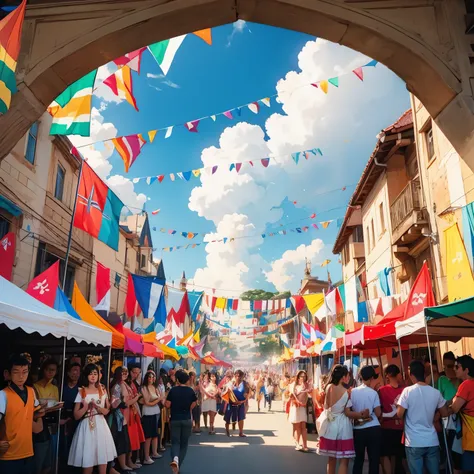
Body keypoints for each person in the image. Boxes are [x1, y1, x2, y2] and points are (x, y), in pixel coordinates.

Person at [397, 359, 448, 474]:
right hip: (432, 440)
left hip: (414, 441)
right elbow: (445, 412)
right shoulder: (435, 392)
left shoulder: (407, 391)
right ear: (424, 374)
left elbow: (399, 413)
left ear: (411, 374)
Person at [0, 354, 45, 474]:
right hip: (8, 454)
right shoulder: (3, 395)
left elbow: (34, 416)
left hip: (28, 452)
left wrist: (40, 414)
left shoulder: (31, 391)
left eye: (24, 372)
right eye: (16, 372)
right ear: (7, 374)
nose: (21, 376)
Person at [68, 363, 117, 474]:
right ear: (86, 376)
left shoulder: (102, 390)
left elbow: (106, 411)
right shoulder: (82, 391)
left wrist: (97, 407)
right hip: (86, 425)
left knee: (102, 456)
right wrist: (85, 407)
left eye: (95, 373)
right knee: (88, 457)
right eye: (90, 374)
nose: (93, 376)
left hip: (100, 424)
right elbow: (76, 415)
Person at [316, 364, 358, 474]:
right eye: (347, 376)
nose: (348, 378)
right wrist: (361, 415)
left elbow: (326, 406)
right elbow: (347, 412)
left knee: (331, 458)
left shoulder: (328, 387)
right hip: (343, 425)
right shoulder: (346, 392)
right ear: (343, 376)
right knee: (344, 460)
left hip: (330, 423)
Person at [350, 366, 382, 474]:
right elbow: (378, 413)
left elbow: (349, 410)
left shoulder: (353, 392)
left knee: (358, 459)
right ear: (372, 378)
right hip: (373, 428)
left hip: (358, 428)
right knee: (374, 459)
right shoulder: (373, 393)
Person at [33, 358, 62, 474]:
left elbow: (57, 403)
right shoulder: (35, 387)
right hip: (40, 420)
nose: (51, 373)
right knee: (39, 456)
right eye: (48, 370)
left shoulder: (54, 388)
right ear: (43, 370)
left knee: (50, 457)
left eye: (53, 370)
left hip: (52, 421)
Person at [165, 370, 197, 474]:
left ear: (178, 380)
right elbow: (194, 403)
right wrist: (188, 408)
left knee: (175, 442)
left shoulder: (173, 390)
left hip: (175, 419)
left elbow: (167, 404)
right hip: (186, 419)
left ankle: (175, 459)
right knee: (184, 444)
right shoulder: (190, 391)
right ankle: (178, 465)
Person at [436, 352, 461, 474]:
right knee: (449, 448)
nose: (448, 369)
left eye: (450, 366)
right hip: (447, 419)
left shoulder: (460, 378)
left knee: (459, 450)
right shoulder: (441, 379)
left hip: (461, 418)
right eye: (445, 366)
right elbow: (439, 398)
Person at [378, 364, 406, 474]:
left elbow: (378, 411)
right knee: (399, 456)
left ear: (387, 376)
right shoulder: (405, 390)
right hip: (402, 428)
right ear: (398, 374)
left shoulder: (381, 390)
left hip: (386, 427)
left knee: (385, 454)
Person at [450, 355, 474, 472]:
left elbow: (454, 408)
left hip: (471, 436)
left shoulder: (466, 385)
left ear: (466, 370)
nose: (454, 369)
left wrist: (453, 401)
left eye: (457, 366)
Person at [110, 366, 135, 472]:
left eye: (126, 372)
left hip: (125, 416)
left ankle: (124, 464)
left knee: (124, 441)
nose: (125, 374)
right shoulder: (117, 386)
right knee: (120, 441)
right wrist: (133, 400)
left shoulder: (124, 384)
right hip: (118, 416)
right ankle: (121, 466)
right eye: (122, 372)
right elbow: (115, 403)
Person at [60, 362, 81, 465]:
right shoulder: (62, 387)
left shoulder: (81, 389)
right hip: (62, 418)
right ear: (68, 372)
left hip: (75, 419)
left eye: (78, 371)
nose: (76, 373)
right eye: (74, 370)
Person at [141, 371, 163, 465]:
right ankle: (146, 456)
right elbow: (147, 402)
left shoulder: (155, 387)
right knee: (148, 436)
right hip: (148, 413)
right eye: (149, 377)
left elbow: (161, 398)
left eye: (153, 377)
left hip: (156, 412)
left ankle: (154, 452)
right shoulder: (144, 388)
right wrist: (158, 399)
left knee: (155, 434)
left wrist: (159, 399)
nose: (151, 379)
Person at [126, 364, 145, 468]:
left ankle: (132, 460)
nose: (135, 374)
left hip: (134, 411)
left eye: (138, 372)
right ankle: (129, 461)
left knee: (135, 436)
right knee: (130, 437)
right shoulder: (126, 383)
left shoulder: (133, 383)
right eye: (134, 372)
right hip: (128, 412)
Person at [288, 370, 311, 452]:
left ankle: (305, 445)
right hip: (295, 407)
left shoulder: (307, 385)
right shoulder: (293, 385)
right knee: (297, 427)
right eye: (301, 376)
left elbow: (310, 393)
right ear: (298, 377)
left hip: (302, 408)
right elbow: (291, 396)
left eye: (304, 376)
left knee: (303, 427)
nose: (303, 378)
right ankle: (297, 443)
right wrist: (295, 400)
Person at [223, 370, 249, 438]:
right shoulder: (231, 383)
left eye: (239, 375)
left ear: (242, 376)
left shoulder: (245, 384)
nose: (238, 377)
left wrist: (245, 401)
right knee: (228, 418)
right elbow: (225, 392)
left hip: (240, 404)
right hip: (231, 403)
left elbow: (248, 394)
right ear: (234, 376)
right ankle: (227, 431)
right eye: (236, 375)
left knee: (241, 418)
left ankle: (241, 432)